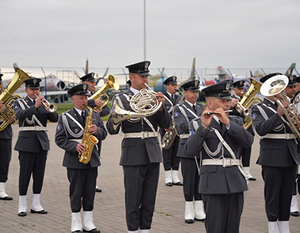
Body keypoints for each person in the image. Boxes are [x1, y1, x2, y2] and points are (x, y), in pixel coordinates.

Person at [106, 61, 171, 233]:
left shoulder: (153, 97)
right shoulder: (121, 99)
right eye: (142, 77)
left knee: (149, 197)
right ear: (131, 77)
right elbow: (112, 130)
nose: (145, 80)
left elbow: (166, 125)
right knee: (133, 197)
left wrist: (162, 107)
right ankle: (133, 230)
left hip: (152, 150)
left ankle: (145, 230)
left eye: (146, 77)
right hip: (133, 150)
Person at [186, 81, 253, 233]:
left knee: (233, 227)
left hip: (235, 181)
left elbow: (248, 142)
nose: (227, 104)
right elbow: (190, 151)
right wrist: (204, 127)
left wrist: (228, 123)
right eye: (222, 101)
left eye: (228, 100)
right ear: (210, 103)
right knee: (215, 227)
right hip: (213, 183)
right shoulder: (197, 124)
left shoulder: (236, 121)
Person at [251, 73, 300, 233]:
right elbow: (260, 130)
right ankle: (272, 225)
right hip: (271, 157)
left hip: (290, 154)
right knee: (272, 194)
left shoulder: (289, 105)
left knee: (287, 193)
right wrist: (278, 114)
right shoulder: (258, 108)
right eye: (277, 88)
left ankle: (284, 225)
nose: (281, 91)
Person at [55, 83, 107, 233]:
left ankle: (88, 222)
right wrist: (74, 146)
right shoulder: (65, 117)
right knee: (76, 191)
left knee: (90, 191)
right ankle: (76, 223)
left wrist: (97, 130)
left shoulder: (95, 114)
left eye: (86, 98)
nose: (85, 101)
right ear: (73, 99)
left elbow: (104, 134)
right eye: (81, 98)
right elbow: (59, 139)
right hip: (74, 159)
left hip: (92, 158)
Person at [14, 77, 59, 217]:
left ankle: (36, 203)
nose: (35, 91)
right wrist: (36, 107)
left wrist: (48, 107)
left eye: (37, 89)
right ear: (26, 90)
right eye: (32, 89)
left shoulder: (44, 103)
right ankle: (22, 204)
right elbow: (19, 115)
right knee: (25, 174)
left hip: (42, 143)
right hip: (26, 143)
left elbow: (54, 118)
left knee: (39, 174)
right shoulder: (19, 102)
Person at [173, 79, 205, 223]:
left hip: (202, 148)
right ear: (185, 93)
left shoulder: (201, 106)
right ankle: (188, 210)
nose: (195, 95)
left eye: (197, 92)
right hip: (186, 146)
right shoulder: (178, 108)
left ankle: (199, 209)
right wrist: (201, 121)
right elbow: (182, 127)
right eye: (192, 92)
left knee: (200, 179)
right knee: (189, 180)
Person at [80, 72, 110, 193]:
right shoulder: (81, 94)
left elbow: (107, 110)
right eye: (91, 82)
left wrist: (101, 110)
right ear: (85, 83)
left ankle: (94, 182)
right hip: (83, 128)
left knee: (97, 155)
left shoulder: (99, 95)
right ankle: (82, 182)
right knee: (83, 154)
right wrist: (93, 103)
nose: (94, 84)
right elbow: (79, 104)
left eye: (94, 82)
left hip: (96, 128)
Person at [230, 80, 256, 181]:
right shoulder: (230, 100)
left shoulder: (248, 100)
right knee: (237, 150)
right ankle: (238, 170)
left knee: (247, 150)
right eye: (239, 89)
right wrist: (234, 107)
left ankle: (247, 171)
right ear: (234, 90)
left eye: (243, 89)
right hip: (237, 128)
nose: (242, 91)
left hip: (247, 128)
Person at [160, 75, 182, 186]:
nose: (175, 87)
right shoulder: (162, 97)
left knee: (177, 152)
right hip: (167, 129)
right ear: (167, 86)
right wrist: (164, 125)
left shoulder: (179, 98)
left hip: (177, 129)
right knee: (167, 152)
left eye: (175, 85)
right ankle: (168, 177)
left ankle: (175, 177)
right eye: (173, 85)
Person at [286, 75, 300, 217]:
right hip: (291, 143)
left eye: (294, 86)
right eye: (291, 86)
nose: (294, 89)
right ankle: (292, 203)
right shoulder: (284, 102)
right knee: (293, 175)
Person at [0, 71, 14, 201]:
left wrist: (10, 117)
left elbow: (14, 114)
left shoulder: (7, 99)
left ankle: (2, 190)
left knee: (4, 162)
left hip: (4, 134)